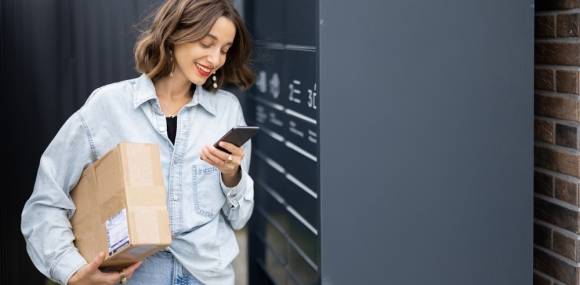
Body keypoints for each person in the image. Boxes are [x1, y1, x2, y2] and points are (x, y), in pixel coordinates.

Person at [20, 0, 255, 284]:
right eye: (207, 43)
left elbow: (239, 218)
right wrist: (71, 271)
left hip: (208, 277)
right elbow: (45, 201)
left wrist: (232, 175)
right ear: (174, 33)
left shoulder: (227, 111)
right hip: (135, 276)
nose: (216, 59)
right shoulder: (108, 106)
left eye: (225, 50)